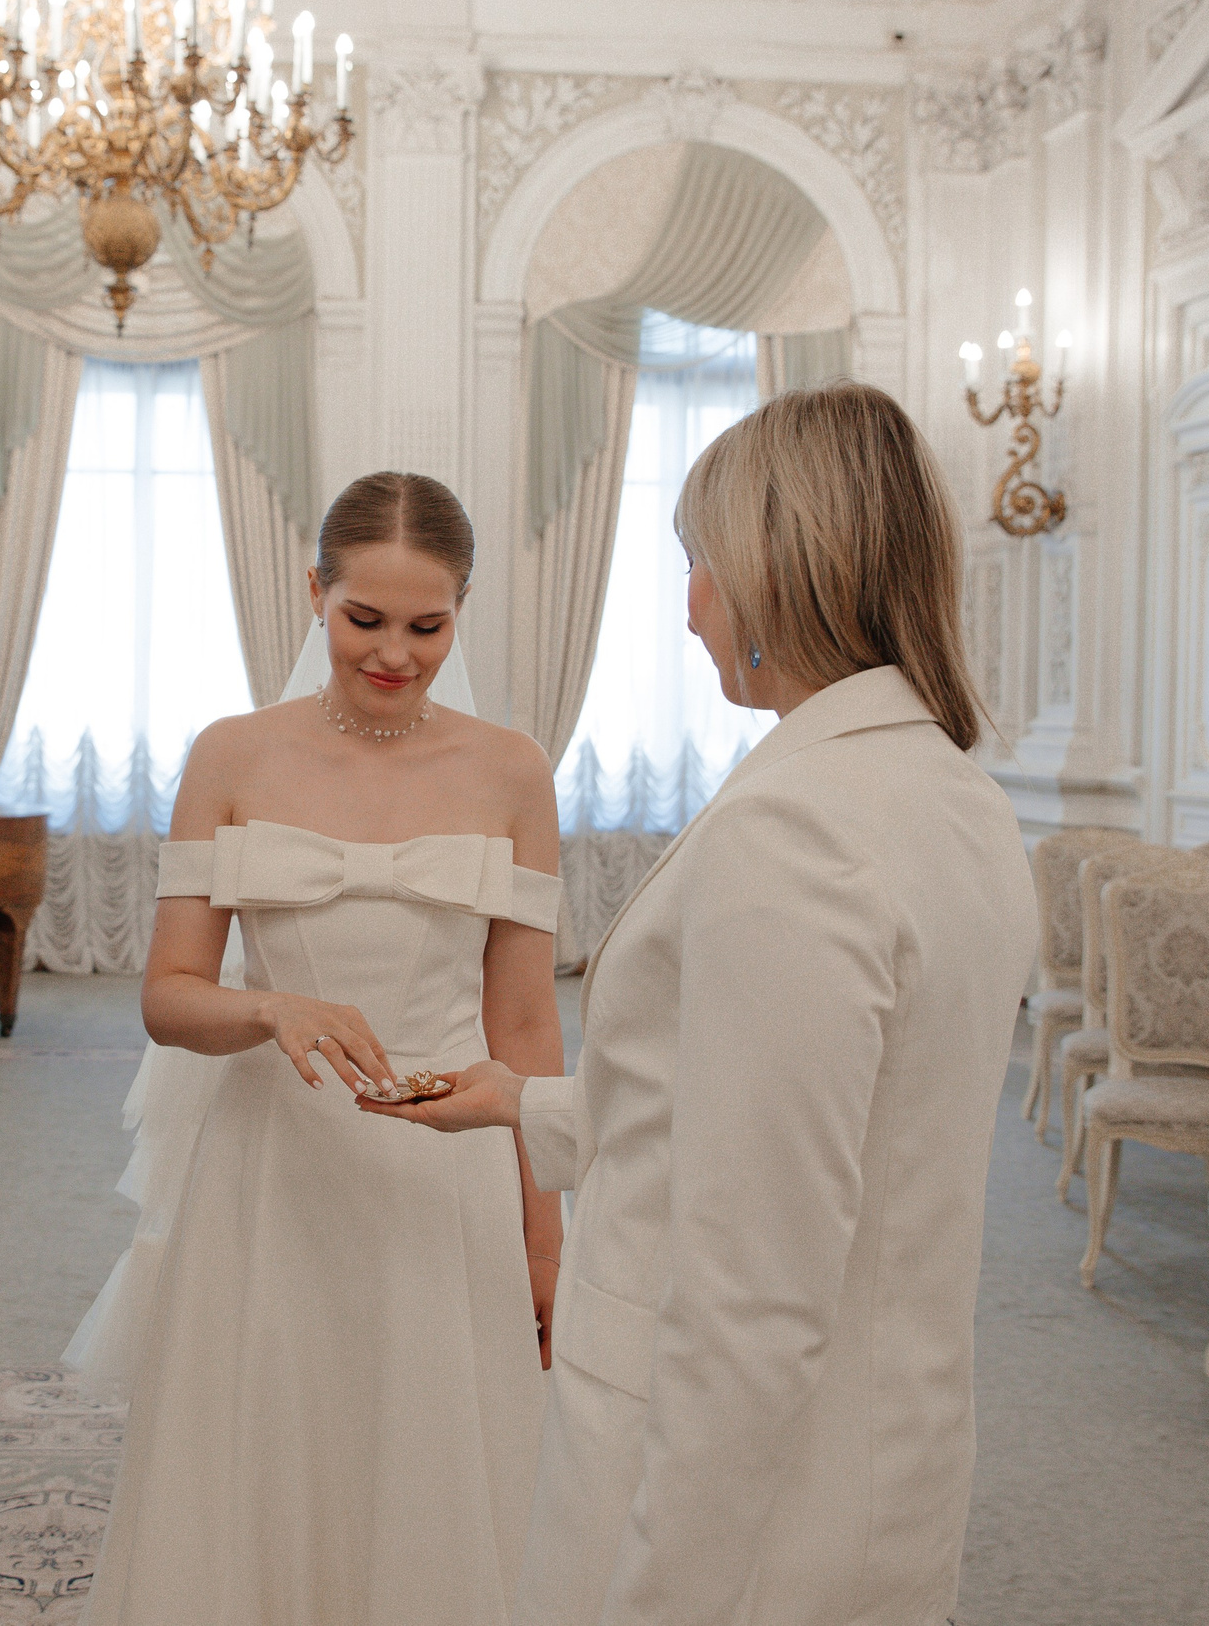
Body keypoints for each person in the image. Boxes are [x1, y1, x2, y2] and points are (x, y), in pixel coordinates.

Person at [363, 383, 1038, 1626]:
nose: (687, 609)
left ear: (775, 568)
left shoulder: (796, 829)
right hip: (886, 1438)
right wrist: (527, 1104)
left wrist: (662, 1589)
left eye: (697, 564)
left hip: (735, 1499)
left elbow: (754, 1291)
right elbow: (801, 1120)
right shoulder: (952, 794)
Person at [75, 472, 564, 1626]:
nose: (393, 655)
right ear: (314, 594)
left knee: (435, 1467)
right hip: (273, 1163)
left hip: (444, 1172)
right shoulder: (233, 755)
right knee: (265, 1457)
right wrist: (269, 1009)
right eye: (365, 620)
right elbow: (167, 997)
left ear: (460, 612)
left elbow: (528, 1027)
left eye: (427, 627)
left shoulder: (512, 770)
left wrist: (547, 1240)